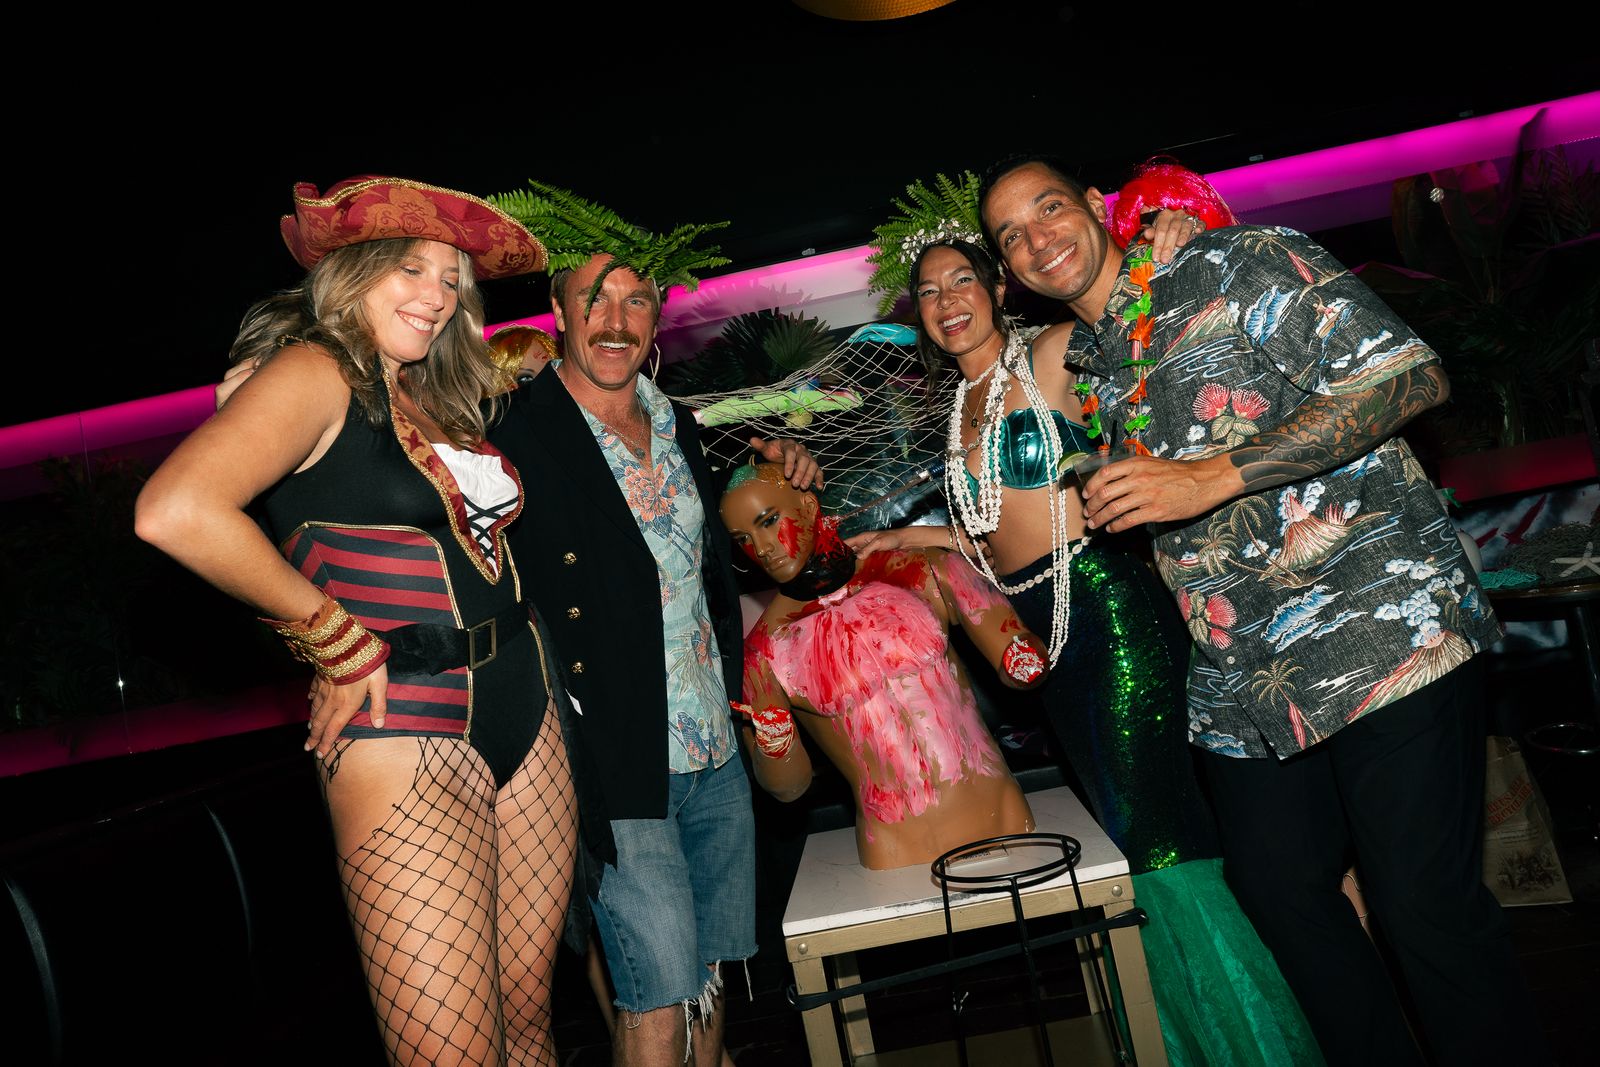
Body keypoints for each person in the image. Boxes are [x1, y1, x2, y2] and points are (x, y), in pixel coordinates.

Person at [979, 154, 1544, 1066]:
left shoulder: (1235, 260)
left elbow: (1408, 377)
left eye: (1049, 208)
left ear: (1095, 205)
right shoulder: (1096, 364)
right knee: (1280, 891)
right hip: (1244, 680)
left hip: (1376, 625)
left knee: (1422, 905)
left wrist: (1211, 477)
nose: (1037, 238)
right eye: (1012, 234)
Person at [854, 170, 1324, 1066]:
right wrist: (911, 537)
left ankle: (1254, 1047)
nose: (948, 302)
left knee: (1158, 837)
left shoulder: (1055, 353)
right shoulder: (958, 411)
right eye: (929, 293)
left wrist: (1168, 238)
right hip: (1045, 637)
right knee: (1119, 839)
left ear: (1000, 288)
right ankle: (1173, 1038)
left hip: (1108, 611)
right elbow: (991, 532)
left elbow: (1142, 321)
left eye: (963, 281)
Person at [135, 176, 583, 1065]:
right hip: (405, 727)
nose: (436, 295)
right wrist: (334, 641)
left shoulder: (426, 392)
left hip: (527, 709)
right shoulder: (312, 371)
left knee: (531, 1025)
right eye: (410, 269)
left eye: (452, 280)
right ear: (353, 272)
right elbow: (176, 510)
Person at [485, 180, 819, 1067]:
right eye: (594, 297)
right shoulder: (513, 434)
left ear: (657, 315)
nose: (615, 320)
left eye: (636, 300)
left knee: (710, 981)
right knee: (658, 996)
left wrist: (784, 460)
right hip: (613, 761)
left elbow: (722, 552)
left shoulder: (684, 427)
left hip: (714, 745)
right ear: (558, 306)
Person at [720, 462, 1044, 870]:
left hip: (1004, 815)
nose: (762, 547)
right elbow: (788, 788)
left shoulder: (921, 570)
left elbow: (1021, 658)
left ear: (808, 506)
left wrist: (1024, 658)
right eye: (743, 539)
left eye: (769, 521)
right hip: (895, 847)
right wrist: (774, 742)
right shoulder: (764, 653)